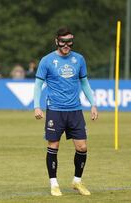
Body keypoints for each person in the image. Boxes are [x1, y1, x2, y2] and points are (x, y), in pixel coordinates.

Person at [33, 27, 98, 197]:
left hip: (75, 110)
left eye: (69, 41)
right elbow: (38, 85)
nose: (66, 45)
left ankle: (77, 181)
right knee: (53, 146)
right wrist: (37, 106)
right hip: (55, 110)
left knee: (82, 147)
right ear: (56, 41)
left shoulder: (79, 59)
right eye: (63, 41)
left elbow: (84, 83)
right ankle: (54, 183)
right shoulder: (46, 61)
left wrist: (93, 104)